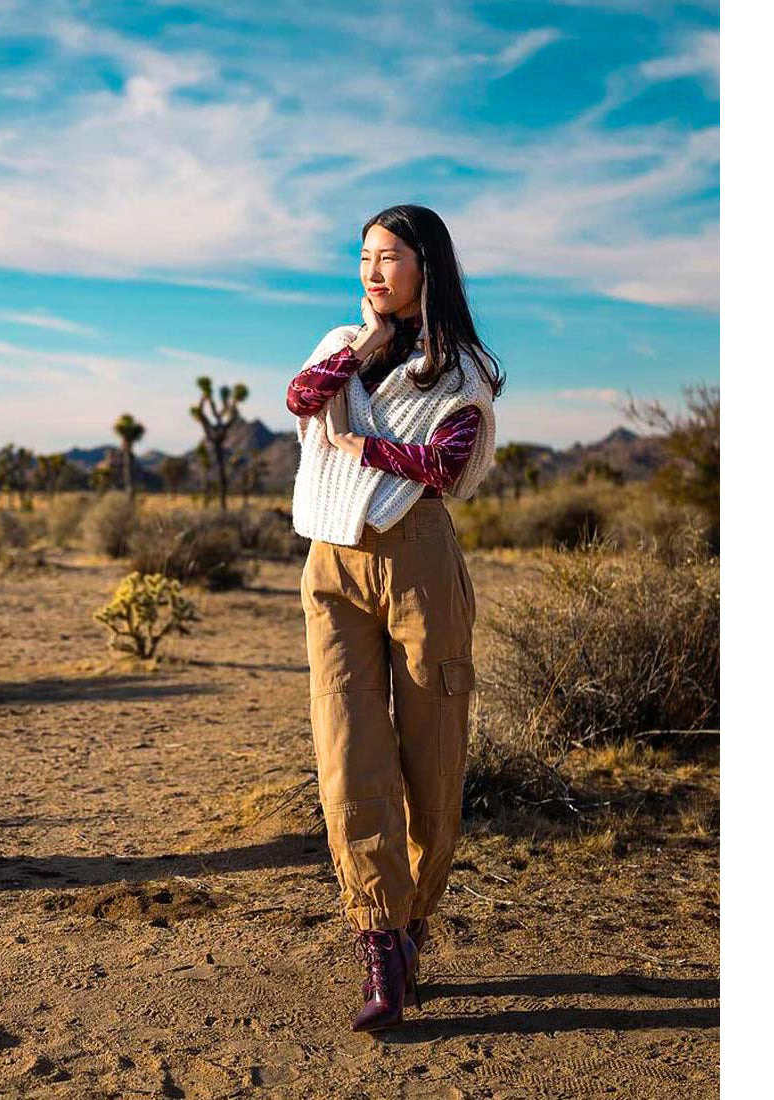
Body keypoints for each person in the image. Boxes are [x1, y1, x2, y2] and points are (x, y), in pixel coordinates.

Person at [285, 204, 505, 1031]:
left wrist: (362, 447)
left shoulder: (464, 370)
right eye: (365, 258)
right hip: (333, 560)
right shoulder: (340, 345)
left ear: (428, 266)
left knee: (432, 758)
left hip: (418, 560)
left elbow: (447, 468)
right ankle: (378, 940)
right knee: (348, 754)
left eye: (390, 258)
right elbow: (302, 397)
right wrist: (366, 348)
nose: (374, 272)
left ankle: (414, 921)